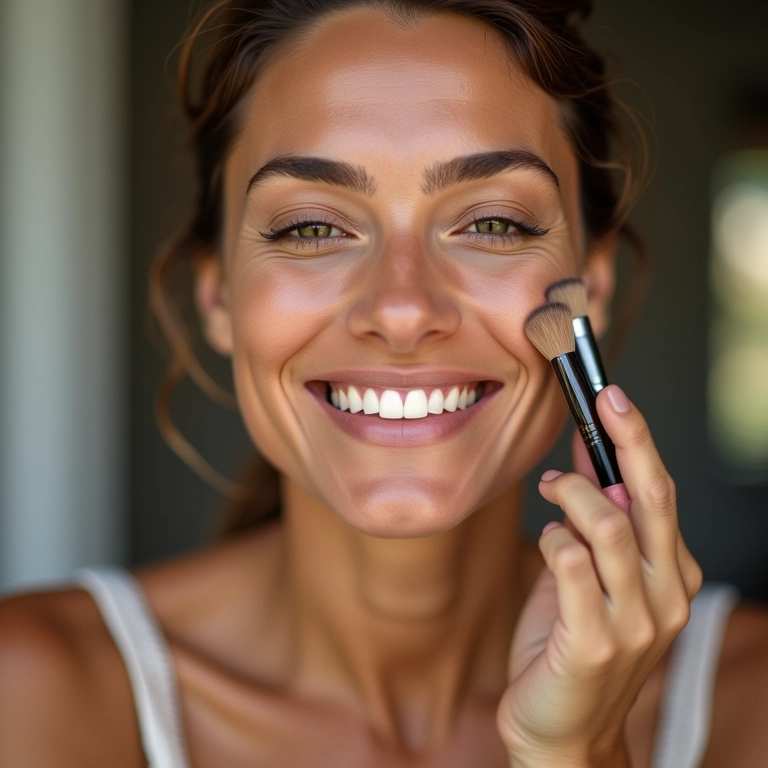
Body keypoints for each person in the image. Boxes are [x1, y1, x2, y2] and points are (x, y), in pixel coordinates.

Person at [1, 1, 766, 766]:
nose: (402, 310)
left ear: (588, 287)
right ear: (219, 297)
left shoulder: (747, 698)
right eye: (311, 227)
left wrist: (580, 753)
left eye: (493, 223)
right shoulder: (32, 690)